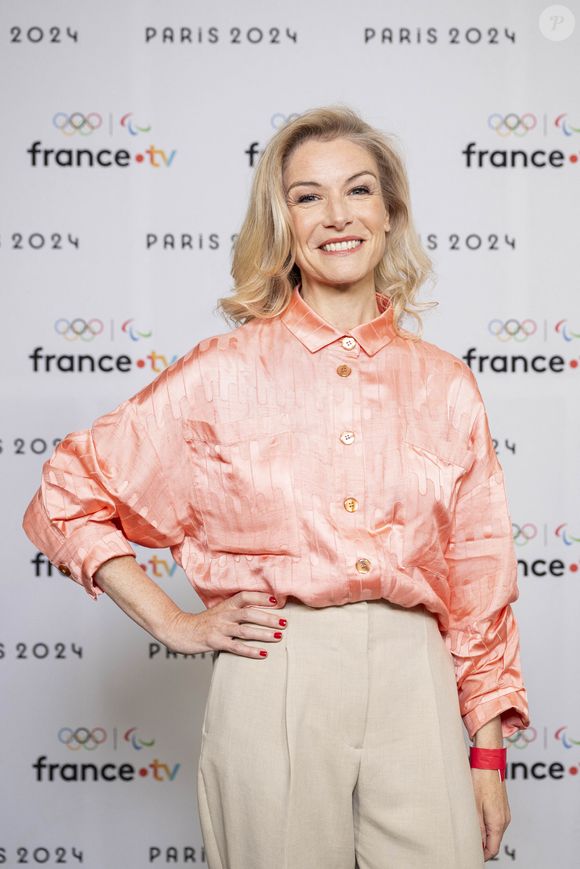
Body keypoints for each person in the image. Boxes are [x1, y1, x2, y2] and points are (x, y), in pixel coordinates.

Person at [22, 105, 530, 868]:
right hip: (278, 667)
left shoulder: (447, 384)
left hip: (415, 675)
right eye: (307, 196)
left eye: (358, 190)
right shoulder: (223, 371)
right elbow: (68, 488)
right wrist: (172, 620)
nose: (337, 215)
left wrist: (487, 758)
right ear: (281, 220)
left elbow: (479, 582)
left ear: (390, 213)